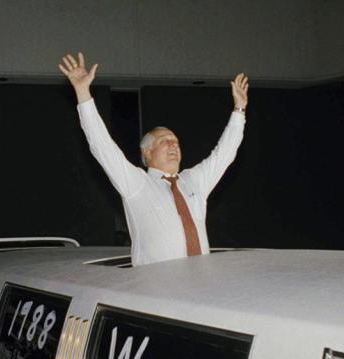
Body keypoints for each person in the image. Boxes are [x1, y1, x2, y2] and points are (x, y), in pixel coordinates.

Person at [59, 51, 249, 266]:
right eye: (164, 141)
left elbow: (224, 153)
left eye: (176, 141)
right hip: (156, 291)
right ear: (147, 153)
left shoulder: (194, 180)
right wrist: (83, 93)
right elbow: (102, 145)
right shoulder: (136, 184)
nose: (173, 144)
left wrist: (239, 110)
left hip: (201, 287)